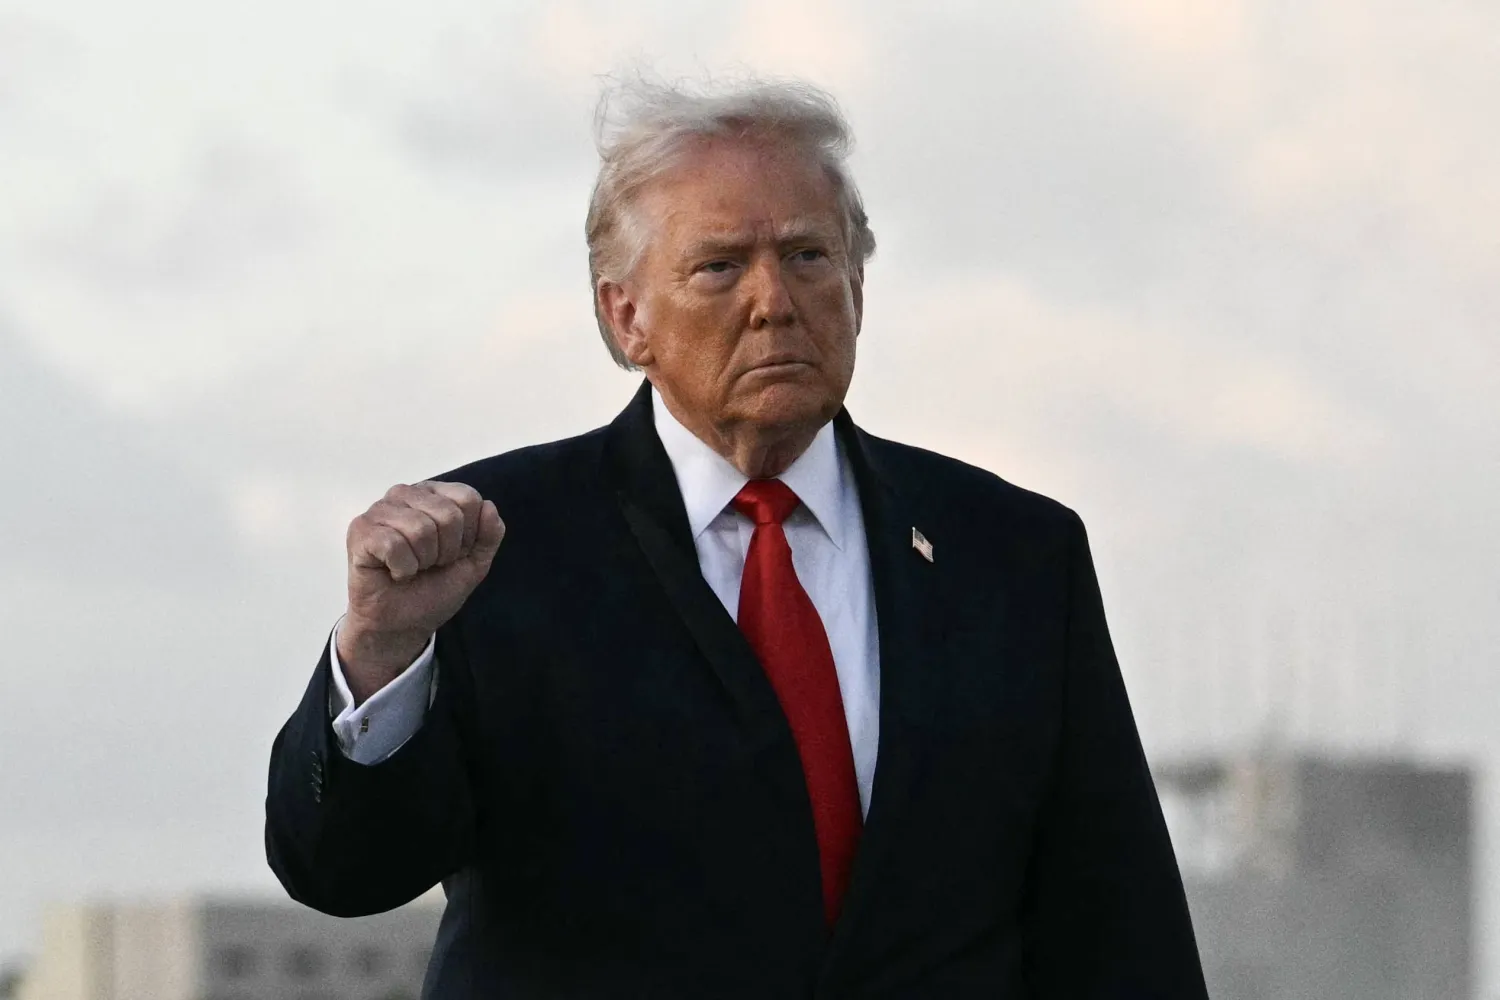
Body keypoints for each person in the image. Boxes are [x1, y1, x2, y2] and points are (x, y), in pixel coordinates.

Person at [265, 76, 1208, 998]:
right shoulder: (490, 547)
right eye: (720, 266)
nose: (774, 301)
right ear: (624, 315)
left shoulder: (1013, 554)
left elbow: (1117, 927)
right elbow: (345, 873)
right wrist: (382, 654)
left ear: (858, 285)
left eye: (808, 256)